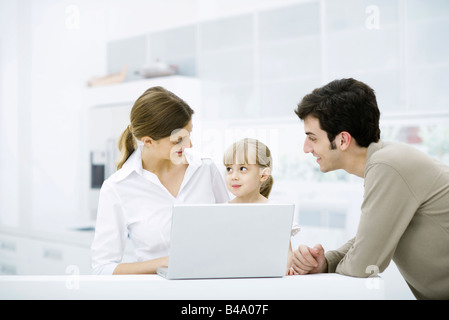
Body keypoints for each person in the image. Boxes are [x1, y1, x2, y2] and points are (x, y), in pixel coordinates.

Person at [292, 78, 449, 299]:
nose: (306, 148)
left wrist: (332, 263)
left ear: (343, 140)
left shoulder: (387, 166)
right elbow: (370, 237)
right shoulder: (386, 160)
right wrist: (326, 262)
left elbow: (364, 264)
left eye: (313, 138)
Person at [91, 86, 229, 275]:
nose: (189, 145)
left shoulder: (205, 168)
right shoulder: (117, 187)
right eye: (178, 140)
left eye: (189, 134)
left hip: (212, 287)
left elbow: (230, 230)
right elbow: (102, 268)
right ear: (148, 141)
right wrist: (163, 263)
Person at [223, 138, 300, 275]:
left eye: (242, 169)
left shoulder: (277, 212)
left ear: (263, 175)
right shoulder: (220, 212)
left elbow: (287, 254)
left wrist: (286, 268)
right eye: (229, 169)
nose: (234, 176)